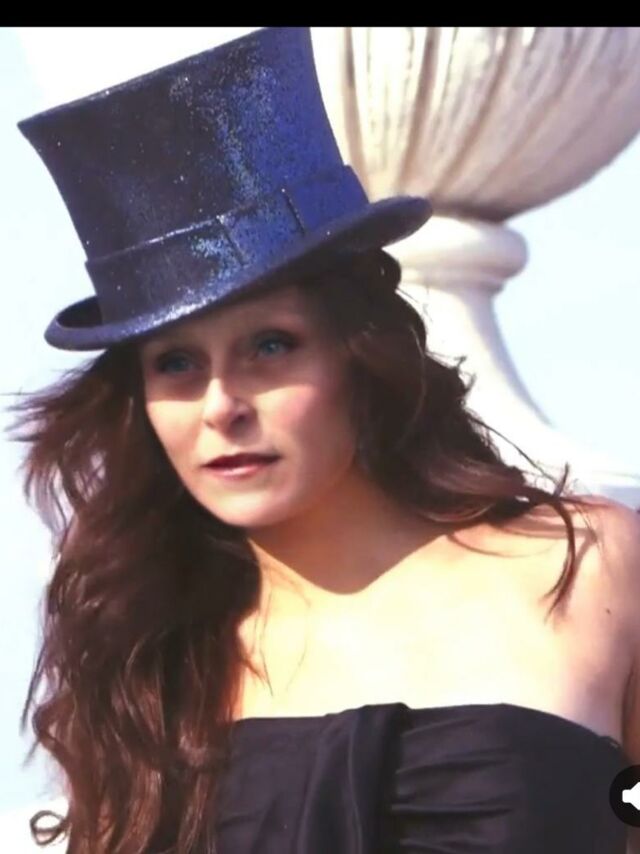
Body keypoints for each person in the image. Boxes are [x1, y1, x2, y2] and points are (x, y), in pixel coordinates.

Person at [10, 25, 640, 854]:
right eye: (176, 364)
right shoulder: (146, 664)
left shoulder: (586, 565)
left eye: (271, 346)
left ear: (359, 352)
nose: (221, 405)